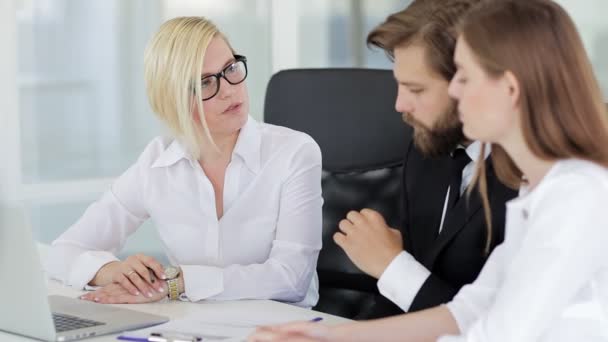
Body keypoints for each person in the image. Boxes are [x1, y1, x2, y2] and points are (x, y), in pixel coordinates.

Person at [249, 0, 608, 340]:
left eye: (464, 77)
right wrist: (332, 336)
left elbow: (492, 336)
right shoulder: (540, 189)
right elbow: (468, 312)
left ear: (510, 88)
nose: (455, 89)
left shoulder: (577, 197)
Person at [45, 16, 323, 308]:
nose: (229, 89)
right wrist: (114, 273)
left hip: (282, 329)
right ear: (173, 98)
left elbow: (291, 278)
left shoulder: (294, 152)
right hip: (191, 325)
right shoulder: (157, 162)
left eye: (230, 69)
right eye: (205, 82)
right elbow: (64, 251)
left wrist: (175, 282)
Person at [333, 0, 516, 319]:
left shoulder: (538, 177)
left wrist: (392, 266)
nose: (400, 105)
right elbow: (393, 301)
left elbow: (497, 325)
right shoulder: (427, 149)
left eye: (415, 89)